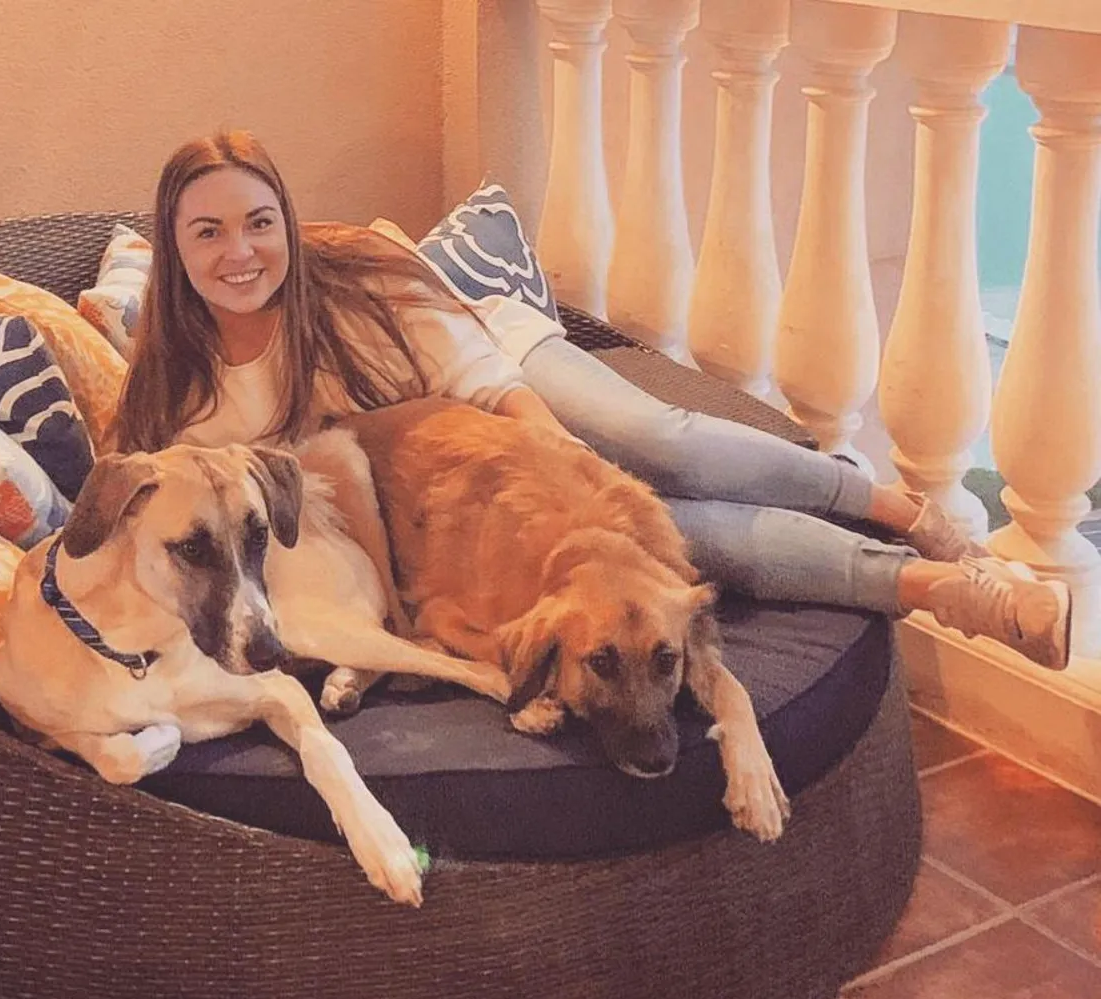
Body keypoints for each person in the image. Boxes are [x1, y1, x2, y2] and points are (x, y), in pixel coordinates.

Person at [112, 130, 1070, 670]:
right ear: (173, 248)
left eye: (258, 223)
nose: (239, 253)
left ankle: (902, 507)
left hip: (506, 378)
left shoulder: (358, 279)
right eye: (207, 234)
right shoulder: (173, 391)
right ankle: (951, 594)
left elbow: (485, 381)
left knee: (649, 442)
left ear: (287, 220)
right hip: (435, 489)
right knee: (674, 542)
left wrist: (570, 472)